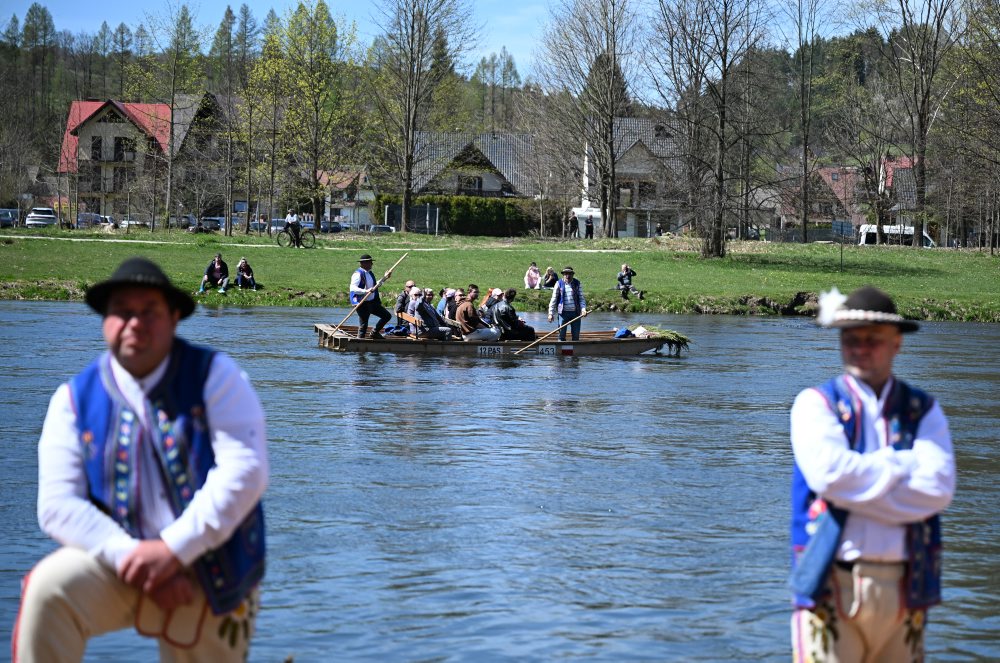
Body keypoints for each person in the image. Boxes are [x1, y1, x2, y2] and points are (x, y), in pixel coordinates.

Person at [13, 257, 268, 662]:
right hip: (116, 558)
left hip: (211, 564)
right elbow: (57, 506)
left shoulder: (217, 376)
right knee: (48, 589)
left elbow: (246, 472)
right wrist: (135, 558)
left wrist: (172, 551)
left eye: (149, 311)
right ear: (105, 322)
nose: (135, 322)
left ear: (174, 319)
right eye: (122, 312)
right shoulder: (72, 400)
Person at [789, 286, 955, 662]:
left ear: (897, 344)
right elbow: (830, 477)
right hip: (829, 582)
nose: (860, 347)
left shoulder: (924, 410)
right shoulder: (814, 405)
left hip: (908, 588)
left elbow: (939, 489)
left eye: (872, 339)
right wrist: (903, 465)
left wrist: (858, 488)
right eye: (851, 338)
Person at [349, 253, 393, 339]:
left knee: (387, 316)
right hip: (362, 303)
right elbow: (352, 288)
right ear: (363, 263)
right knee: (364, 325)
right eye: (370, 262)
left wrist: (385, 278)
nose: (372, 264)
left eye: (371, 262)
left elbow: (376, 285)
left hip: (372, 302)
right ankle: (359, 342)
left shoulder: (370, 273)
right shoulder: (358, 274)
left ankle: (375, 332)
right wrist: (365, 291)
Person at [548, 266, 588, 341]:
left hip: (575, 313)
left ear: (572, 274)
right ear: (563, 274)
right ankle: (560, 350)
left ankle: (575, 351)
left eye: (569, 274)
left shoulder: (577, 283)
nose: (567, 276)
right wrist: (550, 313)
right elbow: (553, 299)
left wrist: (583, 309)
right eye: (566, 274)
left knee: (576, 337)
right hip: (563, 313)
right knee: (561, 336)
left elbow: (581, 298)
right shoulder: (558, 283)